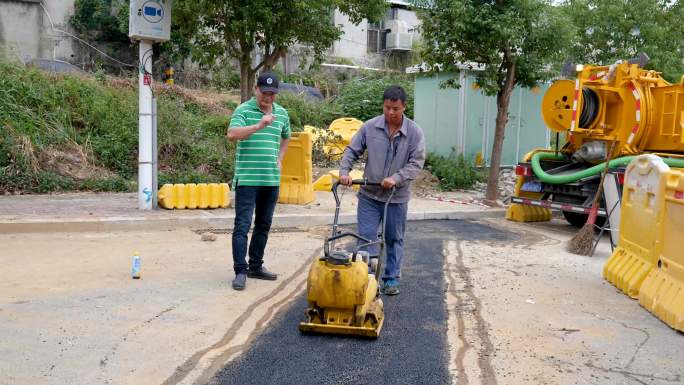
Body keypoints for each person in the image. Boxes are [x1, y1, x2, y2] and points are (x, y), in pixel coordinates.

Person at [339, 85, 426, 296]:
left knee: (394, 238)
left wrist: (396, 178)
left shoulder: (414, 132)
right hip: (369, 193)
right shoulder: (370, 127)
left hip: (396, 197)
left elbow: (416, 163)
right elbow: (352, 150)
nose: (391, 113)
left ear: (404, 107)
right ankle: (364, 277)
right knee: (366, 237)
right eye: (387, 108)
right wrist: (345, 172)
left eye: (395, 108)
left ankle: (391, 278)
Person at [226, 72, 290, 291]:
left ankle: (255, 265)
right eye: (265, 93)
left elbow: (286, 135)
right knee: (242, 225)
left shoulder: (282, 113)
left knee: (263, 225)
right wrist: (259, 126)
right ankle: (240, 271)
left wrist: (280, 158)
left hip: (270, 180)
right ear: (256, 89)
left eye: (272, 94)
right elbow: (232, 134)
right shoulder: (244, 110)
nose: (268, 98)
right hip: (247, 179)